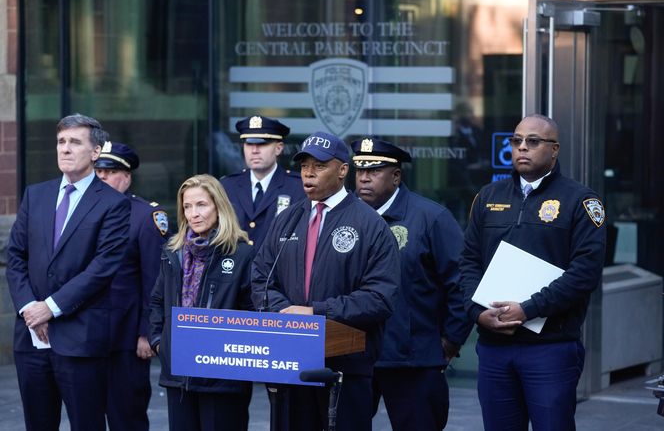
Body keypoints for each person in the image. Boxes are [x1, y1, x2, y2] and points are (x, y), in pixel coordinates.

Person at [459, 114, 607, 431]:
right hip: (494, 345)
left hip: (550, 348)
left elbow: (584, 274)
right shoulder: (488, 197)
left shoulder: (580, 200)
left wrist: (528, 309)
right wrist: (477, 313)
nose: (522, 148)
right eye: (516, 141)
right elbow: (468, 262)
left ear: (554, 150)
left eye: (533, 141)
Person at [252, 131, 400, 431]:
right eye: (304, 165)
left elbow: (380, 298)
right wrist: (286, 313)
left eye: (319, 165)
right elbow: (260, 279)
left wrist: (316, 313)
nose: (308, 172)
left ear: (343, 170)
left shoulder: (370, 223)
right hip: (292, 362)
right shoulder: (287, 218)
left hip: (345, 368)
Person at [6, 113, 131, 431]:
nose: (65, 148)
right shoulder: (36, 195)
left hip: (80, 339)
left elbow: (102, 269)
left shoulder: (113, 204)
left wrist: (50, 308)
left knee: (86, 424)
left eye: (75, 142)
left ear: (95, 152)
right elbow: (16, 257)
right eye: (61, 141)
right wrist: (29, 309)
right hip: (32, 337)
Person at [351, 137, 473, 430]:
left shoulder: (431, 218)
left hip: (413, 359)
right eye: (360, 170)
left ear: (396, 175)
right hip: (355, 354)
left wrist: (450, 341)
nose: (365, 178)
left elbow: (461, 284)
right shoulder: (344, 217)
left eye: (375, 170)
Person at [149, 174, 254, 431]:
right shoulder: (173, 253)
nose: (193, 213)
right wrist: (160, 344)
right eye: (187, 206)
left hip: (223, 377)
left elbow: (252, 312)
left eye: (201, 205)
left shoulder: (242, 254)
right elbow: (157, 301)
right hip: (179, 373)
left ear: (219, 207)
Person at [94, 141, 169, 431]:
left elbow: (154, 280)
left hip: (127, 337)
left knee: (126, 414)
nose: (101, 177)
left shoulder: (146, 217)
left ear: (126, 176)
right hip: (88, 333)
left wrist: (146, 334)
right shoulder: (83, 212)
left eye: (109, 171)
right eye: (98, 170)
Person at [221, 115, 305, 249]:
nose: (254, 151)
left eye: (262, 144)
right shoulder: (227, 186)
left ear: (279, 148)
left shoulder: (298, 187)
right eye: (249, 144)